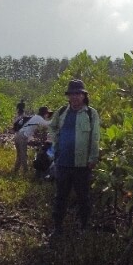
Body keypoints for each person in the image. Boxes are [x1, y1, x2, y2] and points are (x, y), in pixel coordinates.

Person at [48, 79, 100, 237]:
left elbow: (95, 137)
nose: (75, 97)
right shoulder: (62, 111)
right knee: (60, 197)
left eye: (78, 93)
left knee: (84, 198)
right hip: (63, 162)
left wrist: (93, 157)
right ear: (68, 96)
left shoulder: (91, 114)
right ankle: (57, 228)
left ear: (84, 96)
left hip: (82, 165)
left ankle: (83, 228)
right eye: (72, 94)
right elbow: (52, 126)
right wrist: (57, 142)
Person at [13, 106, 52, 176]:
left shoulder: (35, 117)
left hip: (18, 135)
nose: (48, 115)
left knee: (19, 155)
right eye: (47, 113)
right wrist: (56, 120)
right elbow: (47, 124)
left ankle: (15, 172)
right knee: (23, 155)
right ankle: (25, 172)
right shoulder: (39, 118)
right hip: (22, 136)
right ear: (45, 113)